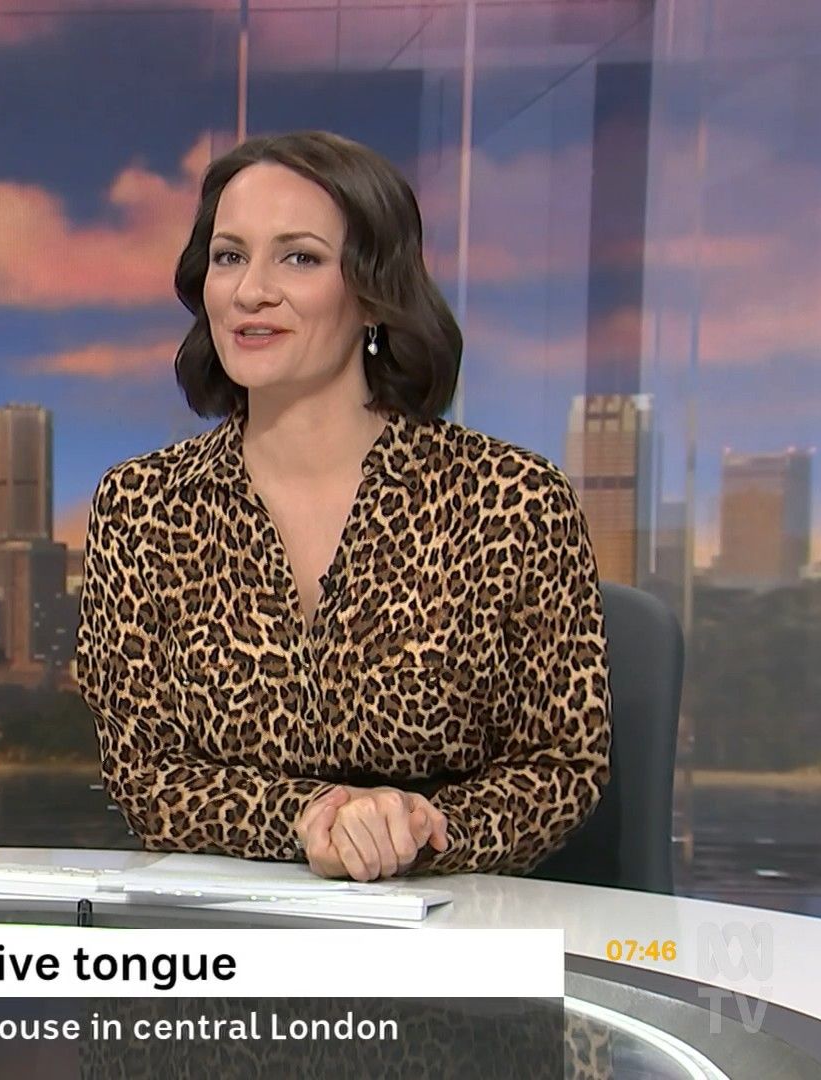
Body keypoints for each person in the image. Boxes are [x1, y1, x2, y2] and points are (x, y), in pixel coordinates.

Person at [75, 130, 610, 881]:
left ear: (372, 292)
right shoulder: (141, 508)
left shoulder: (513, 500)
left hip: (448, 920)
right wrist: (311, 820)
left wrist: (421, 829)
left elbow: (561, 766)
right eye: (229, 256)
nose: (251, 291)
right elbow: (145, 776)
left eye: (299, 258)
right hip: (222, 935)